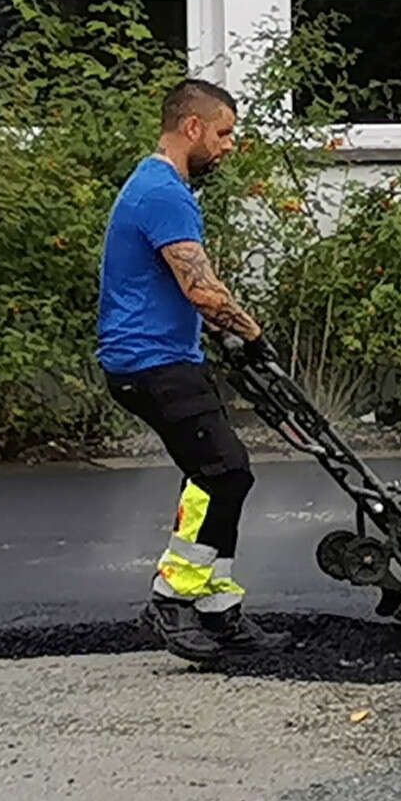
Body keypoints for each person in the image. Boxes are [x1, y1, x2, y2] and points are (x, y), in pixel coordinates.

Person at [97, 78, 268, 665]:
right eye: (223, 133)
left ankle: (216, 606)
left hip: (166, 358)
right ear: (192, 127)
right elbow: (201, 289)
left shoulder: (160, 187)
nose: (228, 146)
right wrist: (253, 334)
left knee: (221, 474)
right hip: (150, 362)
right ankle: (172, 601)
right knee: (222, 472)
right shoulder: (163, 192)